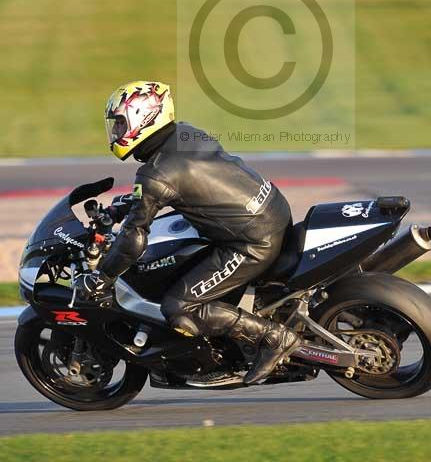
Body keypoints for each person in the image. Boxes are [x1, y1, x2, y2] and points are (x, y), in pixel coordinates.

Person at [75, 80, 299, 385]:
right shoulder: (184, 133)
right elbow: (187, 186)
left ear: (143, 118)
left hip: (252, 241)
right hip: (272, 208)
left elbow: (133, 240)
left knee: (179, 308)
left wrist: (104, 276)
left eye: (119, 123)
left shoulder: (156, 173)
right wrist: (127, 206)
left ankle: (274, 337)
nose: (115, 132)